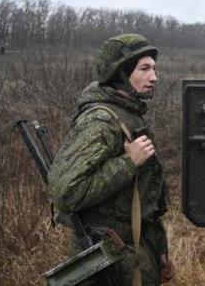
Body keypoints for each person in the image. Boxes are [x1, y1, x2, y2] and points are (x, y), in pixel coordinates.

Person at [48, 33, 174, 285]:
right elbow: (67, 193)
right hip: (108, 260)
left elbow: (146, 200)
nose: (154, 77)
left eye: (154, 69)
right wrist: (128, 163)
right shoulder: (101, 121)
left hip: (135, 251)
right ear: (119, 74)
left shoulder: (129, 114)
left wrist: (159, 249)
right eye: (145, 69)